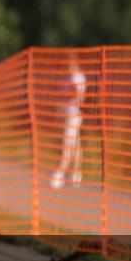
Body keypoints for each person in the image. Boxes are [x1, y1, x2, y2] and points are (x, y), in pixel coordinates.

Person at [51, 56, 87, 189]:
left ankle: (60, 173)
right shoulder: (64, 76)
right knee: (75, 145)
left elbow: (79, 97)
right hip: (64, 114)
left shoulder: (78, 77)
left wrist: (72, 89)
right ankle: (76, 173)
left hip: (73, 116)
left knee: (67, 144)